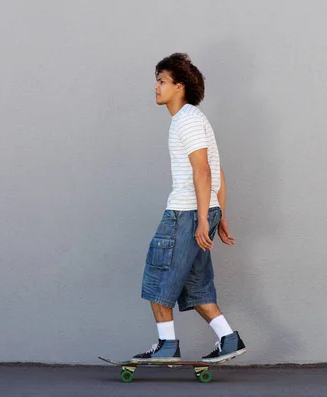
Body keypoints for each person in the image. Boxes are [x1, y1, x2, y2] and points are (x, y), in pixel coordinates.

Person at [134, 53, 246, 363]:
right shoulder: (191, 120)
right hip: (200, 211)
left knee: (157, 277)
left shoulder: (187, 120)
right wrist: (218, 213)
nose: (156, 87)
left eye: (161, 81)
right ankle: (229, 338)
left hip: (185, 213)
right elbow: (217, 170)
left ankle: (166, 345)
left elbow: (204, 171)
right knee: (195, 285)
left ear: (179, 87)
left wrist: (201, 219)